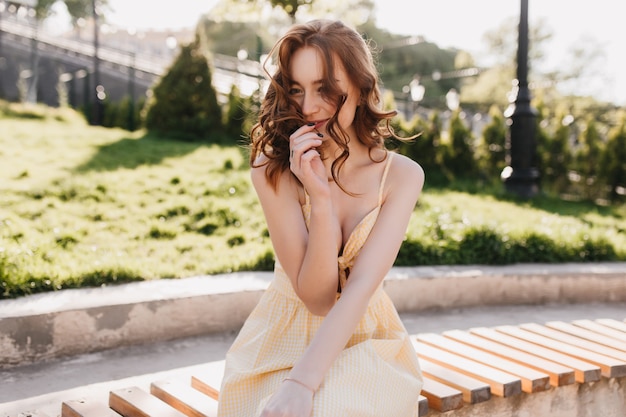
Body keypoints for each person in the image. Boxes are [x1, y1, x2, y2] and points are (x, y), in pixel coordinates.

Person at [217, 19, 424, 417]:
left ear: (361, 89)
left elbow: (359, 289)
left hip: (367, 341)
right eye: (296, 89)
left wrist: (302, 385)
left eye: (325, 89)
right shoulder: (272, 168)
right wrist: (320, 199)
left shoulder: (400, 177)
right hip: (279, 339)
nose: (308, 107)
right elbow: (316, 298)